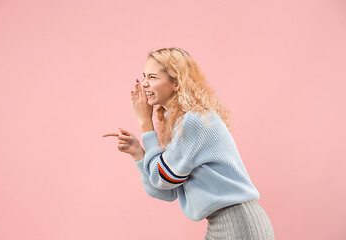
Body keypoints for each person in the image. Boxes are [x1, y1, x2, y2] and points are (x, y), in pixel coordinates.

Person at [103, 47, 275, 239]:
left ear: (176, 83)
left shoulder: (193, 121)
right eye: (143, 76)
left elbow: (162, 179)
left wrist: (145, 123)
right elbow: (165, 191)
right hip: (225, 224)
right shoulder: (181, 123)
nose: (143, 84)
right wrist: (138, 154)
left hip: (239, 225)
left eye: (152, 77)